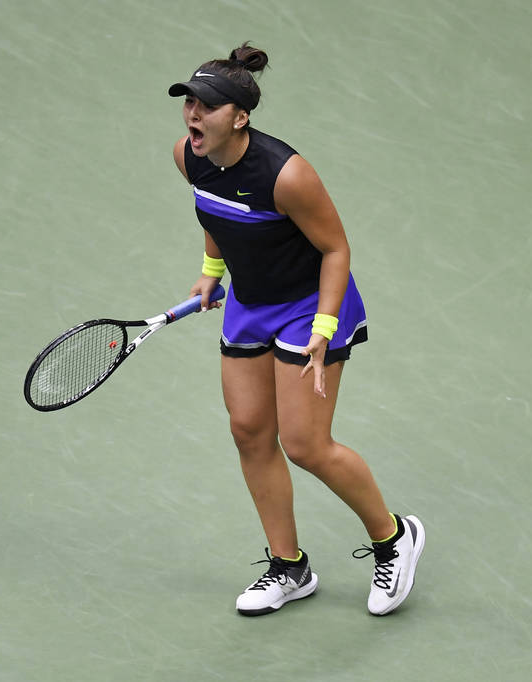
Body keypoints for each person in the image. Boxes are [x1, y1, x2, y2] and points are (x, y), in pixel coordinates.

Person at [168, 43, 425, 617]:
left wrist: (323, 327)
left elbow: (336, 248)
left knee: (306, 444)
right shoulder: (190, 156)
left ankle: (394, 538)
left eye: (206, 106)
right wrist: (212, 272)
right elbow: (212, 212)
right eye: (188, 101)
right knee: (249, 431)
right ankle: (290, 568)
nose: (192, 113)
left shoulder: (287, 175)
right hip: (250, 302)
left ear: (241, 117)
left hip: (311, 305)